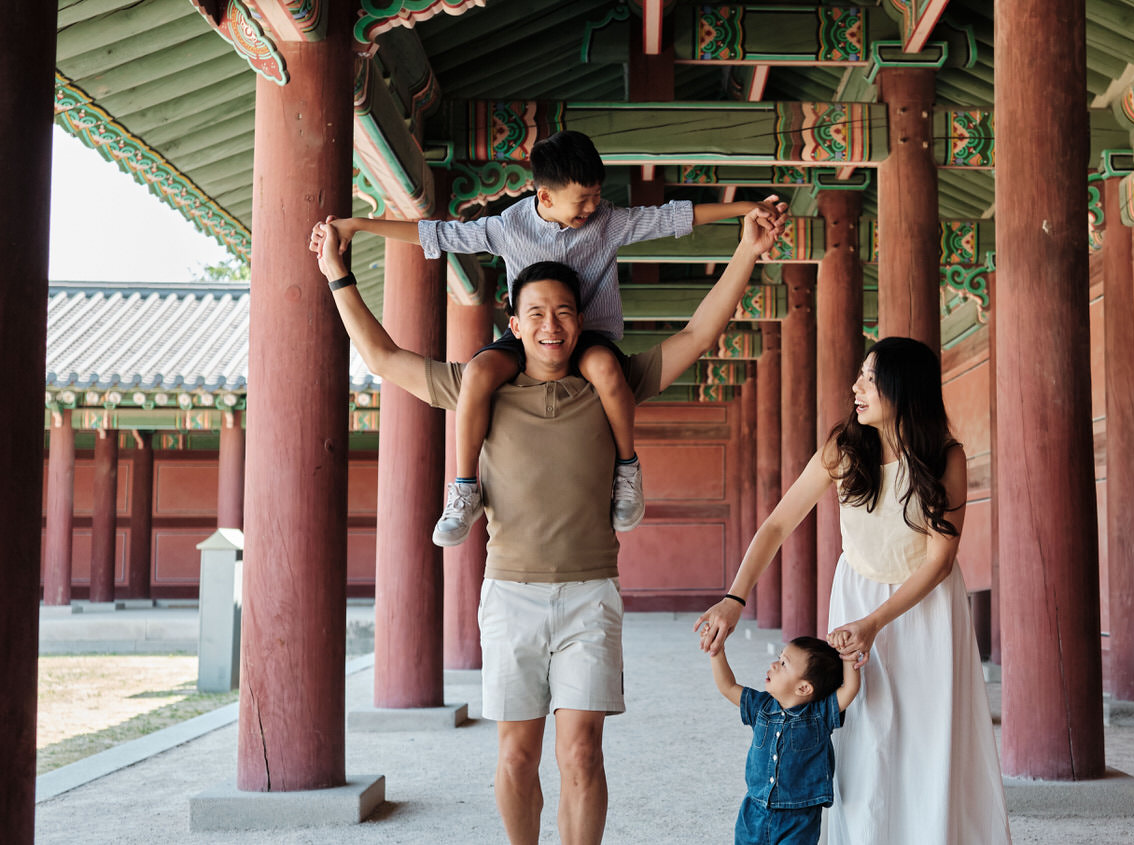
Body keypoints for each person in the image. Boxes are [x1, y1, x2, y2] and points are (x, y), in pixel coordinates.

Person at [312, 203, 783, 845]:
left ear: (581, 320)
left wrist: (747, 252)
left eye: (563, 311)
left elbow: (697, 334)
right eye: (535, 312)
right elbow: (382, 355)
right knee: (515, 755)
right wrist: (339, 274)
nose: (551, 325)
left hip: (591, 595)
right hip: (510, 596)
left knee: (582, 754)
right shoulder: (482, 389)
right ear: (514, 322)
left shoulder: (607, 381)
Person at [314, 129, 781, 547]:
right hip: (528, 341)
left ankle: (627, 470)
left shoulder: (609, 221)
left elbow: (671, 218)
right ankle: (463, 488)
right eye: (582, 200)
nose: (592, 208)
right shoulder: (507, 228)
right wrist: (359, 225)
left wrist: (744, 208)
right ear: (545, 195)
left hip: (592, 335)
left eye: (597, 196)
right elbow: (438, 235)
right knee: (477, 371)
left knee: (603, 368)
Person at [693, 337, 1011, 844]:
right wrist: (735, 598)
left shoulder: (945, 457)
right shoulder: (843, 447)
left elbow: (939, 560)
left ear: (903, 388)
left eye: (870, 377)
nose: (856, 387)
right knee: (861, 737)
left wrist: (875, 624)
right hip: (856, 599)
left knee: (928, 741)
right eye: (860, 375)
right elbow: (777, 525)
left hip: (923, 609)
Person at [707, 635, 860, 845]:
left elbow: (849, 689)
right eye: (779, 658)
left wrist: (850, 656)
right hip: (754, 810)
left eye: (783, 664)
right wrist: (717, 651)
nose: (773, 664)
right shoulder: (761, 707)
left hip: (799, 819)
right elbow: (728, 686)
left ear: (804, 688)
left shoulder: (819, 715)